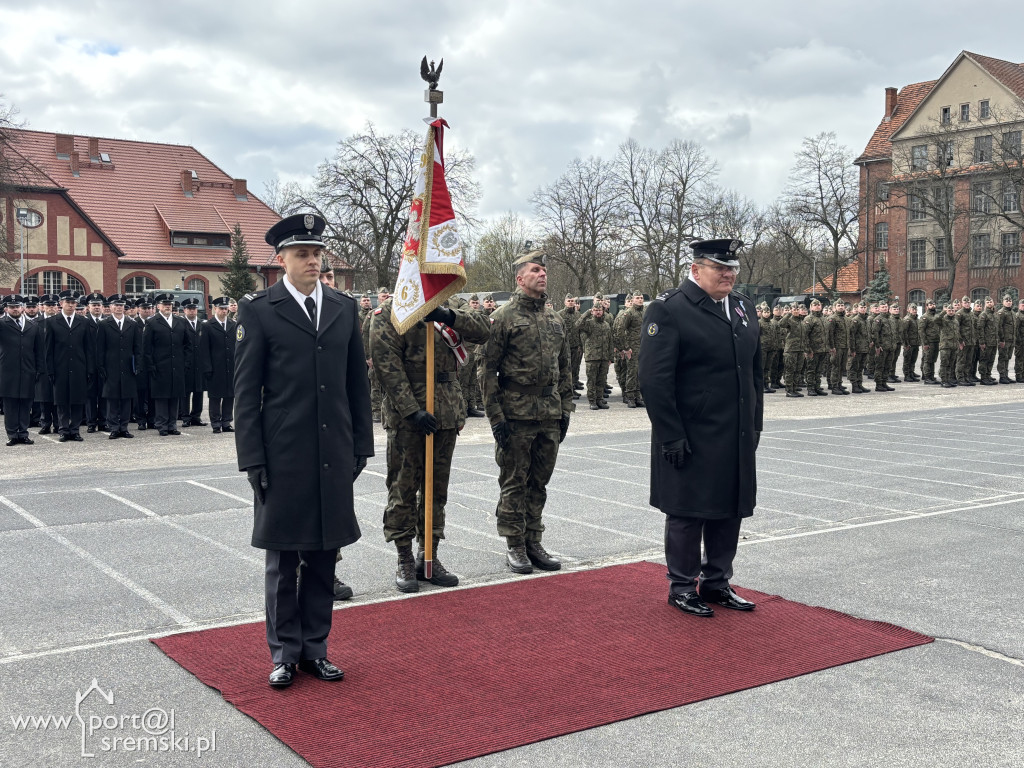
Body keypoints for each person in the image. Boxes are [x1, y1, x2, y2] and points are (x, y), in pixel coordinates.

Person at [233, 212, 373, 689]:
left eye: (317, 253)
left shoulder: (343, 307)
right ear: (281, 260)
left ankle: (316, 649)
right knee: (283, 557)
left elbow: (357, 383)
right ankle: (284, 653)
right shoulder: (259, 309)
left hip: (333, 451)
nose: (313, 260)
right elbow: (245, 393)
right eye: (302, 254)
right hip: (282, 454)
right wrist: (252, 458)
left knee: (323, 554)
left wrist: (362, 445)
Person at [638, 238, 762, 618]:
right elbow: (654, 381)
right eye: (719, 268)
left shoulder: (742, 307)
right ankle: (681, 586)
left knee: (730, 508)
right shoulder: (670, 309)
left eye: (732, 268)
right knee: (688, 512)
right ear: (695, 270)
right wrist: (671, 434)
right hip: (691, 432)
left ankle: (717, 582)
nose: (728, 274)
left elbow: (755, 371)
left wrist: (755, 423)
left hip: (735, 430)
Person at [370, 294, 490, 592]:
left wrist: (447, 316)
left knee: (437, 489)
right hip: (407, 415)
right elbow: (387, 366)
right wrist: (411, 409)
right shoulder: (389, 312)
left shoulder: (450, 305)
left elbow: (483, 329)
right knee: (403, 486)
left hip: (446, 409)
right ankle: (404, 557)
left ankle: (430, 555)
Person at [481, 249, 574, 574]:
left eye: (544, 270)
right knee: (514, 482)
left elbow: (565, 371)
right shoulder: (503, 318)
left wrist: (566, 411)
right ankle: (514, 545)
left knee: (539, 483)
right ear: (520, 278)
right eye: (535, 270)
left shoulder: (555, 319)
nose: (542, 274)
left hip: (548, 414)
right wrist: (496, 418)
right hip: (516, 415)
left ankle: (534, 541)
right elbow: (487, 371)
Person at [45, 291, 94, 442]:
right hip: (60, 368)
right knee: (62, 401)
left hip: (79, 367)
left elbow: (89, 348)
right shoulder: (52, 321)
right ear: (61, 304)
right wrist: (50, 370)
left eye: (73, 302)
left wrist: (90, 369)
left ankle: (75, 430)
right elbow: (48, 349)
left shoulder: (84, 321)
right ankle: (64, 430)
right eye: (68, 302)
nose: (71, 305)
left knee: (78, 400)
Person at [95, 294, 143, 439]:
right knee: (113, 399)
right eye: (116, 305)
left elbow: (138, 348)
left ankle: (124, 427)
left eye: (121, 306)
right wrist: (101, 366)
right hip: (111, 367)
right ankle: (114, 427)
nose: (118, 308)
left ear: (124, 308)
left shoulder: (132, 324)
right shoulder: (104, 324)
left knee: (127, 399)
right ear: (110, 307)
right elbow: (100, 348)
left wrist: (138, 366)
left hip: (129, 367)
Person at [144, 293, 190, 436]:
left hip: (177, 365)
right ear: (158, 306)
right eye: (165, 305)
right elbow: (147, 347)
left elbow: (187, 344)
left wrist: (185, 362)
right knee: (161, 397)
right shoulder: (152, 322)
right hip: (160, 366)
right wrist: (150, 365)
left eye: (169, 305)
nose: (167, 307)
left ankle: (172, 425)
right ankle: (162, 425)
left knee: (175, 395)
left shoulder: (180, 321)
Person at [0, 295, 44, 445]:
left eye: (17, 306)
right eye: (12, 307)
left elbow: (38, 350)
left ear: (22, 308)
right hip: (7, 371)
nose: (15, 309)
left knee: (26, 404)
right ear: (6, 309)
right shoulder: (2, 324)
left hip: (28, 370)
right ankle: (12, 435)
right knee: (10, 404)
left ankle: (23, 433)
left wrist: (39, 369)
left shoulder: (33, 326)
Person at [201, 297, 236, 433]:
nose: (224, 311)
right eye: (221, 308)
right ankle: (216, 423)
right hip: (215, 367)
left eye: (226, 308)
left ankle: (226, 422)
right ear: (215, 308)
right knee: (215, 396)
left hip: (230, 366)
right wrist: (207, 368)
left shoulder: (233, 324)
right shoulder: (208, 325)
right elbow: (204, 349)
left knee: (229, 395)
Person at [577, 301, 613, 409]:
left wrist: (611, 357)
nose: (598, 312)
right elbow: (578, 325)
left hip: (604, 357)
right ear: (593, 311)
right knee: (592, 380)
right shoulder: (589, 323)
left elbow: (610, 341)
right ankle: (592, 401)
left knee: (601, 380)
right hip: (592, 357)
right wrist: (587, 313)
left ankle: (599, 399)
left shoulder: (606, 325)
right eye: (596, 310)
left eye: (600, 310)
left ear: (603, 311)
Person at [179, 298, 207, 425]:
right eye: (189, 309)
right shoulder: (180, 324)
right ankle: (185, 417)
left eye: (194, 309)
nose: (192, 311)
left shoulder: (203, 324)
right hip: (186, 362)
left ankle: (196, 416)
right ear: (184, 310)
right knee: (185, 392)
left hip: (200, 363)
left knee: (199, 391)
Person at [996, 294, 1016, 384]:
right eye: (1006, 301)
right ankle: (1002, 376)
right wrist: (1001, 339)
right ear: (1003, 302)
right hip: (1004, 340)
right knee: (1002, 357)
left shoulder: (1012, 313)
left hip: (1011, 339)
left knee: (1007, 357)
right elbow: (999, 327)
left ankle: (1006, 375)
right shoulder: (1001, 312)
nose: (1008, 302)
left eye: (1010, 301)